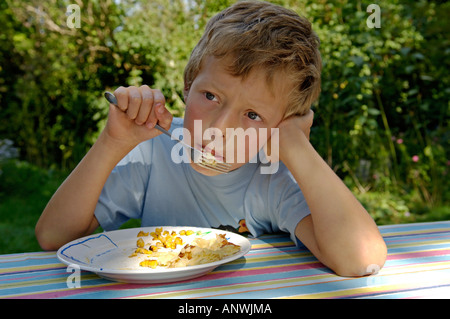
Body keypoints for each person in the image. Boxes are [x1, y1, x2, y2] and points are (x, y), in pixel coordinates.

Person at [36, 0, 386, 276]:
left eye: (252, 115)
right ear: (188, 86)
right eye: (211, 97)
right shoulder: (153, 152)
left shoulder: (271, 177)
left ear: (279, 127)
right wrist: (111, 144)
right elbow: (54, 237)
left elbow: (361, 259)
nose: (219, 128)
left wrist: (295, 146)